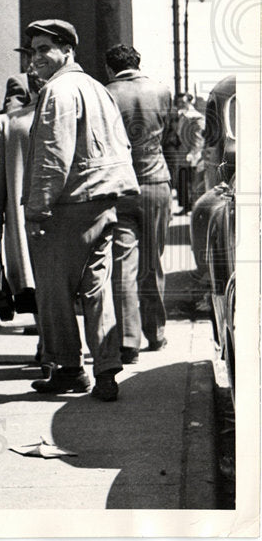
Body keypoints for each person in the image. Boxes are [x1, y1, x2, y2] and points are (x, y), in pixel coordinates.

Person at [23, 19, 138, 402]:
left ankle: (70, 369)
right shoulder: (96, 88)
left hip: (67, 206)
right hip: (103, 202)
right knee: (96, 288)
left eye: (44, 49)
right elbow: (121, 145)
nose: (36, 57)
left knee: (54, 293)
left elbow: (52, 155)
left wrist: (37, 209)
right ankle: (106, 371)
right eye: (33, 50)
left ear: (67, 50)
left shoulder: (58, 90)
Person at [105, 44, 174, 362]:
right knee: (153, 262)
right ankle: (156, 333)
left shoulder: (106, 93)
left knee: (123, 266)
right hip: (156, 182)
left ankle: (128, 341)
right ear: (138, 62)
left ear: (110, 68)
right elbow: (169, 135)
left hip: (121, 187)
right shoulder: (160, 90)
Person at [0, 71, 44, 358]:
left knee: (31, 282)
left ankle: (47, 344)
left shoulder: (8, 124)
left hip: (21, 220)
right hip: (61, 215)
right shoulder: (67, 116)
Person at [173, 93, 206, 213]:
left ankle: (195, 208)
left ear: (190, 102)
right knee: (183, 181)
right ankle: (186, 207)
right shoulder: (183, 116)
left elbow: (199, 138)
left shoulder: (196, 117)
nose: (180, 104)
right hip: (182, 154)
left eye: (183, 102)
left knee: (193, 183)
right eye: (179, 102)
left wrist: (193, 153)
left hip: (192, 155)